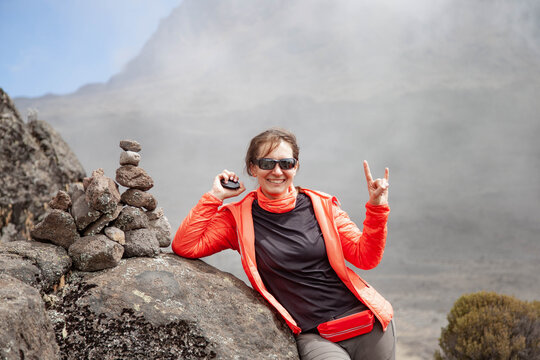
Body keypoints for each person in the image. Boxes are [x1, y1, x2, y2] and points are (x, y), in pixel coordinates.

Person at [172, 128, 395, 360]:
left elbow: (365, 258)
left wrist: (377, 208)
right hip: (312, 334)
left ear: (295, 167)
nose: (277, 171)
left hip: (367, 323)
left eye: (286, 163)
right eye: (267, 163)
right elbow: (186, 245)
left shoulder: (321, 206)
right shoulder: (238, 217)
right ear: (252, 168)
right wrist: (215, 196)